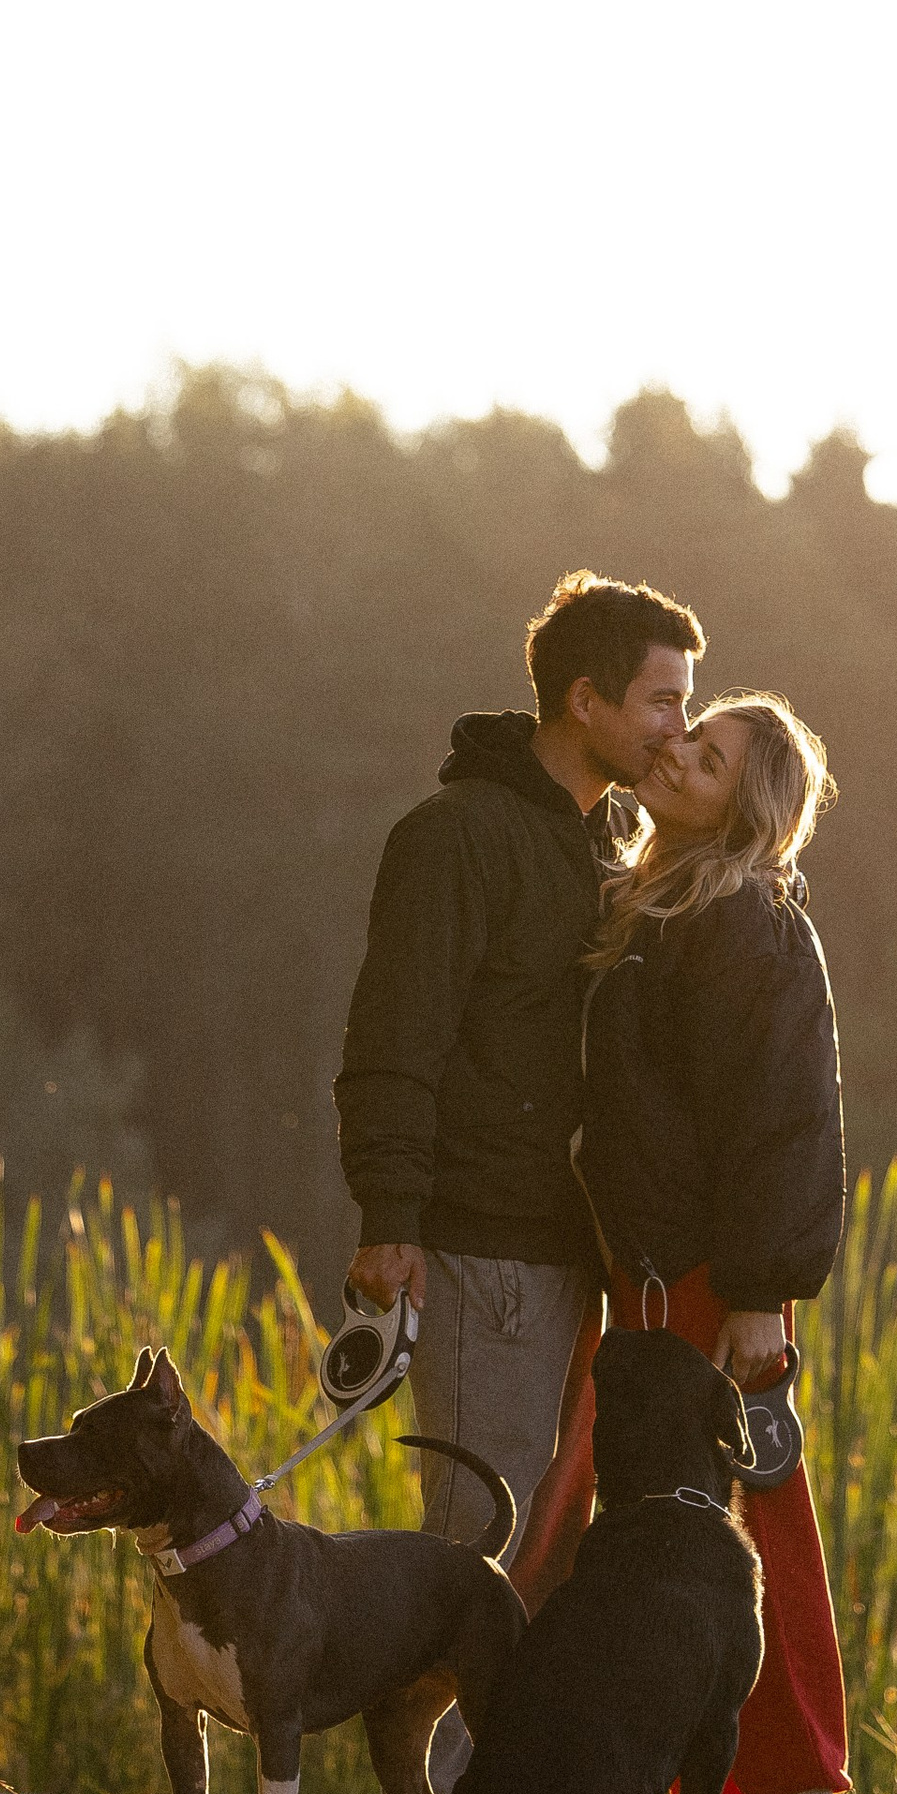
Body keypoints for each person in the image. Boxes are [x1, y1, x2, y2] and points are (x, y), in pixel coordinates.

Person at [576, 689, 881, 1794]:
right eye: (684, 742)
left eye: (706, 759)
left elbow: (786, 1118)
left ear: (745, 802)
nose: (677, 760)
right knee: (673, 1540)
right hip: (653, 1273)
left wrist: (758, 1295)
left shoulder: (750, 920)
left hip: (720, 1279)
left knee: (766, 1526)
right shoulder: (665, 901)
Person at [335, 571, 702, 1578]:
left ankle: (495, 1747)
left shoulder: (607, 846)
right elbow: (395, 1036)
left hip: (570, 1253)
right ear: (585, 700)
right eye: (662, 700)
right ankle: (424, 1745)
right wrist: (391, 1216)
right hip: (475, 1246)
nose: (680, 726)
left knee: (533, 1564)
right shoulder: (455, 837)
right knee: (471, 1557)